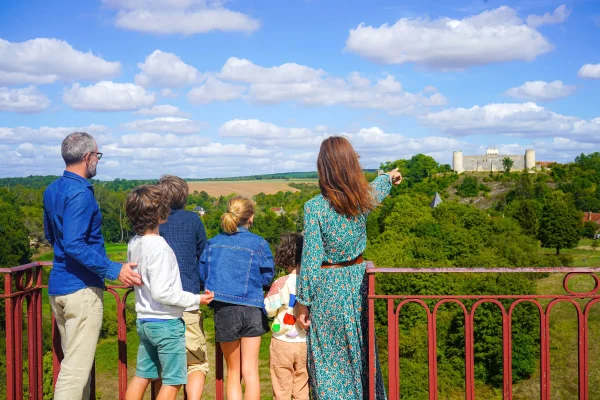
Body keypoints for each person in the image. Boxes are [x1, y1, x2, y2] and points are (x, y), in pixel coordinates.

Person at [295, 136, 402, 400]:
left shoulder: (314, 208)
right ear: (351, 164)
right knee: (361, 354)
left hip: (327, 290)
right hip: (358, 285)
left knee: (329, 362)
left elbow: (311, 258)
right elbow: (377, 189)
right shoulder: (361, 200)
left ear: (323, 167)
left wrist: (303, 302)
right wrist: (389, 177)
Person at [43, 132, 141, 400]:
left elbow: (53, 237)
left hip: (59, 288)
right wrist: (115, 270)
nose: (97, 160)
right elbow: (75, 244)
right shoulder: (80, 195)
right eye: (97, 155)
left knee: (78, 367)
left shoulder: (52, 189)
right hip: (81, 291)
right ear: (87, 158)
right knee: (75, 371)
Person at [124, 185, 214, 400]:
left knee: (142, 376)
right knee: (173, 381)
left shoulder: (134, 243)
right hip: (166, 323)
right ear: (158, 214)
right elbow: (163, 293)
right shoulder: (160, 247)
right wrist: (197, 299)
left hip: (145, 320)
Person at [199, 196, 275, 400]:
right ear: (250, 217)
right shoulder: (258, 243)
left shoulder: (213, 243)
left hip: (224, 310)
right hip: (252, 309)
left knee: (233, 372)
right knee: (250, 373)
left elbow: (203, 274)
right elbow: (267, 275)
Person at [157, 175, 209, 399]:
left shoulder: (155, 222)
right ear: (184, 196)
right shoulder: (193, 220)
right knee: (195, 363)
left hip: (157, 304)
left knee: (163, 364)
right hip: (188, 297)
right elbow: (204, 255)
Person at [264, 233, 308, 400]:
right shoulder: (310, 282)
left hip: (282, 341)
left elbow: (269, 308)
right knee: (302, 387)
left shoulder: (281, 282)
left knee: (281, 389)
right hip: (304, 342)